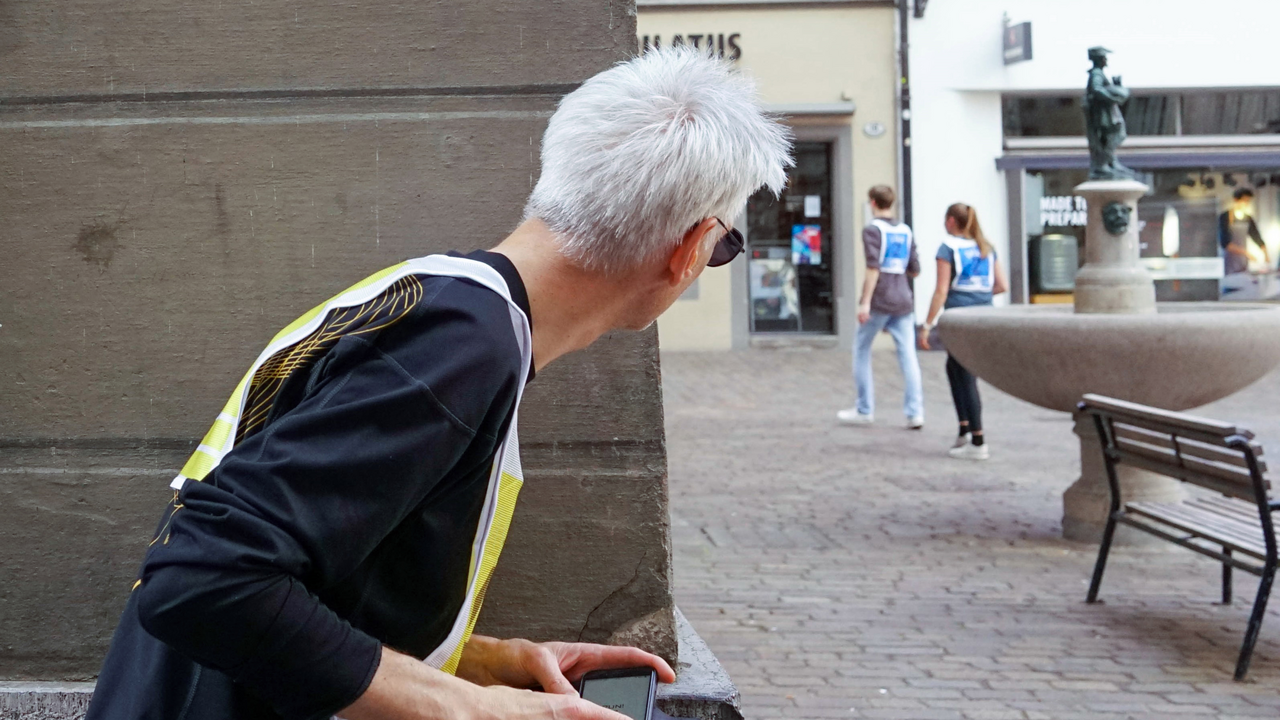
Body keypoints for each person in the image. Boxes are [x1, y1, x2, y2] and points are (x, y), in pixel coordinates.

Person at [86, 47, 792, 720]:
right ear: (689, 250)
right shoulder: (459, 347)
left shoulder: (447, 303)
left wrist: (483, 662)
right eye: (725, 245)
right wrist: (472, 708)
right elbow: (203, 580)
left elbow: (312, 573)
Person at [918, 203, 1007, 461]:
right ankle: (964, 429)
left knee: (965, 375)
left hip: (959, 316)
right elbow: (1002, 285)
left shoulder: (948, 248)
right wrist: (979, 295)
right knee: (955, 368)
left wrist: (927, 324)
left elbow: (941, 290)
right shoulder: (986, 247)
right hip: (984, 315)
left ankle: (978, 440)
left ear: (951, 221)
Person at [837, 185, 923, 429]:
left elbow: (873, 267)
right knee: (908, 356)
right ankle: (915, 413)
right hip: (903, 300)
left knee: (861, 350)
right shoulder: (906, 230)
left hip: (881, 298)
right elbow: (915, 269)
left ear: (872, 203)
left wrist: (865, 302)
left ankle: (865, 409)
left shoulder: (872, 230)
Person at [1219, 187, 1270, 275]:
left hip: (1243, 262)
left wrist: (1265, 254)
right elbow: (1225, 244)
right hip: (1229, 261)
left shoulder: (1248, 219)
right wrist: (1246, 253)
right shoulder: (1225, 217)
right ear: (1236, 200)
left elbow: (1256, 236)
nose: (1246, 204)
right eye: (1244, 201)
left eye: (1248, 201)